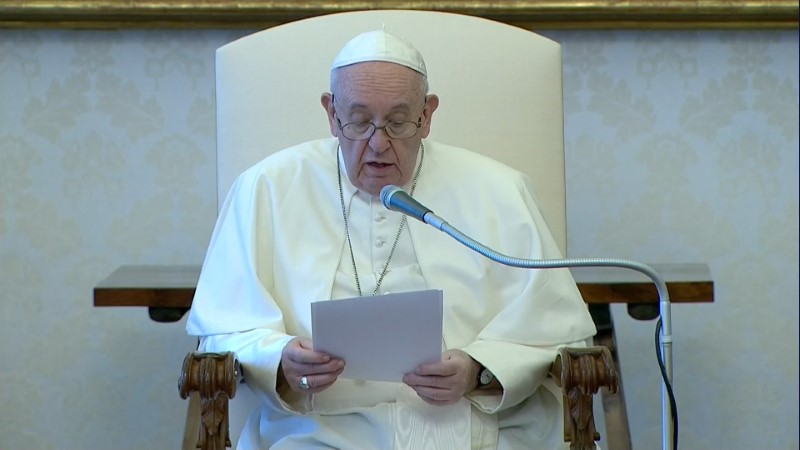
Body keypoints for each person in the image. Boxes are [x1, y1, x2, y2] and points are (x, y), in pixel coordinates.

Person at [187, 29, 596, 449]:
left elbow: (556, 330)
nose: (378, 144)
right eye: (359, 121)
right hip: (320, 431)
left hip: (477, 425)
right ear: (330, 113)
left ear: (428, 114)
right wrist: (278, 359)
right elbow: (221, 333)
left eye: (398, 122)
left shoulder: (501, 189)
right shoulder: (265, 188)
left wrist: (480, 369)